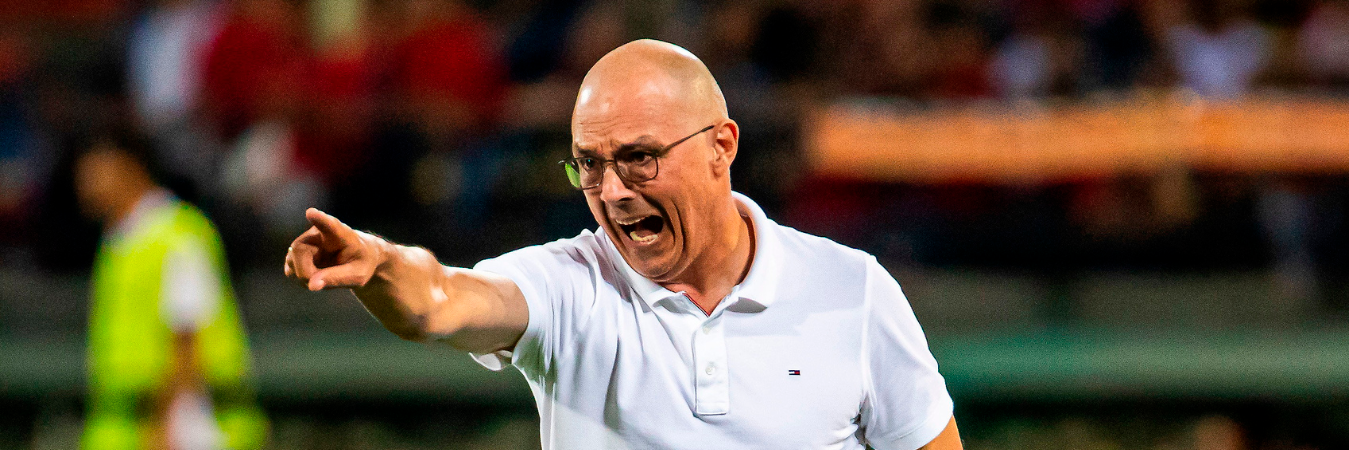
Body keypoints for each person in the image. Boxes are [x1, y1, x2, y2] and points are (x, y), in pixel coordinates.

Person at [284, 39, 961, 449]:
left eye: (638, 157)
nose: (610, 192)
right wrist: (378, 264)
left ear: (720, 147)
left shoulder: (852, 288)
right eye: (589, 163)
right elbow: (439, 301)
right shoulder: (566, 287)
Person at [75, 129, 268, 450]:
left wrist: (167, 426)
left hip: (175, 425)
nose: (85, 186)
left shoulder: (179, 233)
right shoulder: (119, 239)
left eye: (95, 173)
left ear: (130, 168)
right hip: (122, 423)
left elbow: (187, 332)